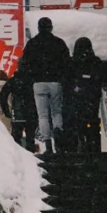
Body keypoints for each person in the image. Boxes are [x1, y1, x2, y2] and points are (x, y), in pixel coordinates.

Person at [17, 16, 71, 152]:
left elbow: (24, 64)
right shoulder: (59, 43)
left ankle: (47, 144)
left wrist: (31, 78)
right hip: (55, 82)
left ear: (39, 28)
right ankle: (58, 133)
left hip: (38, 83)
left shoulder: (32, 44)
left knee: (42, 115)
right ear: (51, 27)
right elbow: (66, 64)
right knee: (56, 112)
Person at [62, 37, 107, 153]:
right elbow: (105, 79)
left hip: (75, 101)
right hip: (92, 100)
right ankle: (93, 149)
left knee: (76, 126)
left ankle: (74, 149)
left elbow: (65, 81)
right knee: (92, 125)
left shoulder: (71, 63)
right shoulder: (96, 62)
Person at [0, 71, 37, 150]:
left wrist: (6, 111)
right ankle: (31, 157)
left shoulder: (13, 80)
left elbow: (3, 95)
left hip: (17, 112)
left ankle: (18, 158)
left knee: (16, 140)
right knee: (30, 138)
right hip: (31, 113)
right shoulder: (33, 80)